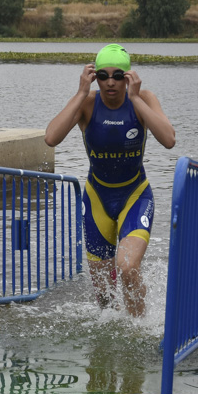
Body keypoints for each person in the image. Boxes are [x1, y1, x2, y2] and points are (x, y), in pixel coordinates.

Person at [44, 44, 175, 316]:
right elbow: (51, 137)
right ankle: (114, 331)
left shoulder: (144, 99)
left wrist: (136, 98)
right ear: (94, 77)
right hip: (97, 201)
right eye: (103, 76)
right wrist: (81, 92)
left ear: (129, 77)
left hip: (135, 196)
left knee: (127, 267)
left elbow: (169, 140)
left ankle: (139, 327)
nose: (111, 82)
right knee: (104, 296)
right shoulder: (87, 103)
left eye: (118, 76)